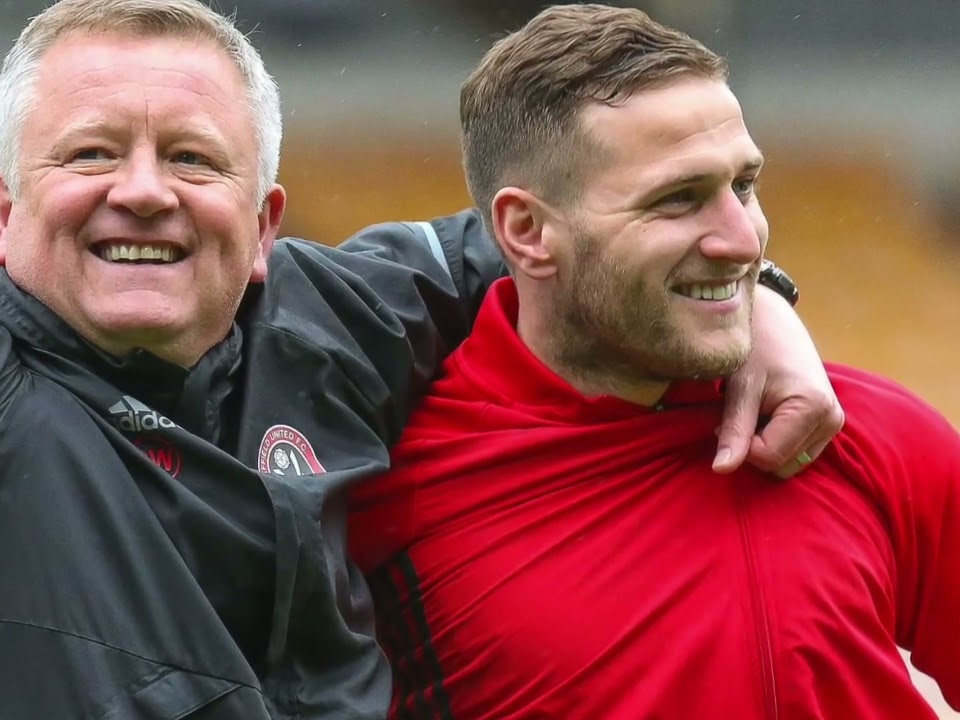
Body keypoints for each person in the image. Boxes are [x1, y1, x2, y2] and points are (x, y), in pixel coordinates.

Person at [0, 1, 840, 719]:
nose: (143, 188)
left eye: (192, 158)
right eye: (92, 151)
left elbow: (571, 229)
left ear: (265, 220)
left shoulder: (330, 324)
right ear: (0, 208)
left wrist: (759, 300)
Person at [347, 5, 960, 718]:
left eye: (745, 185)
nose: (744, 240)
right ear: (527, 230)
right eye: (679, 199)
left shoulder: (868, 435)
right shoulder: (385, 484)